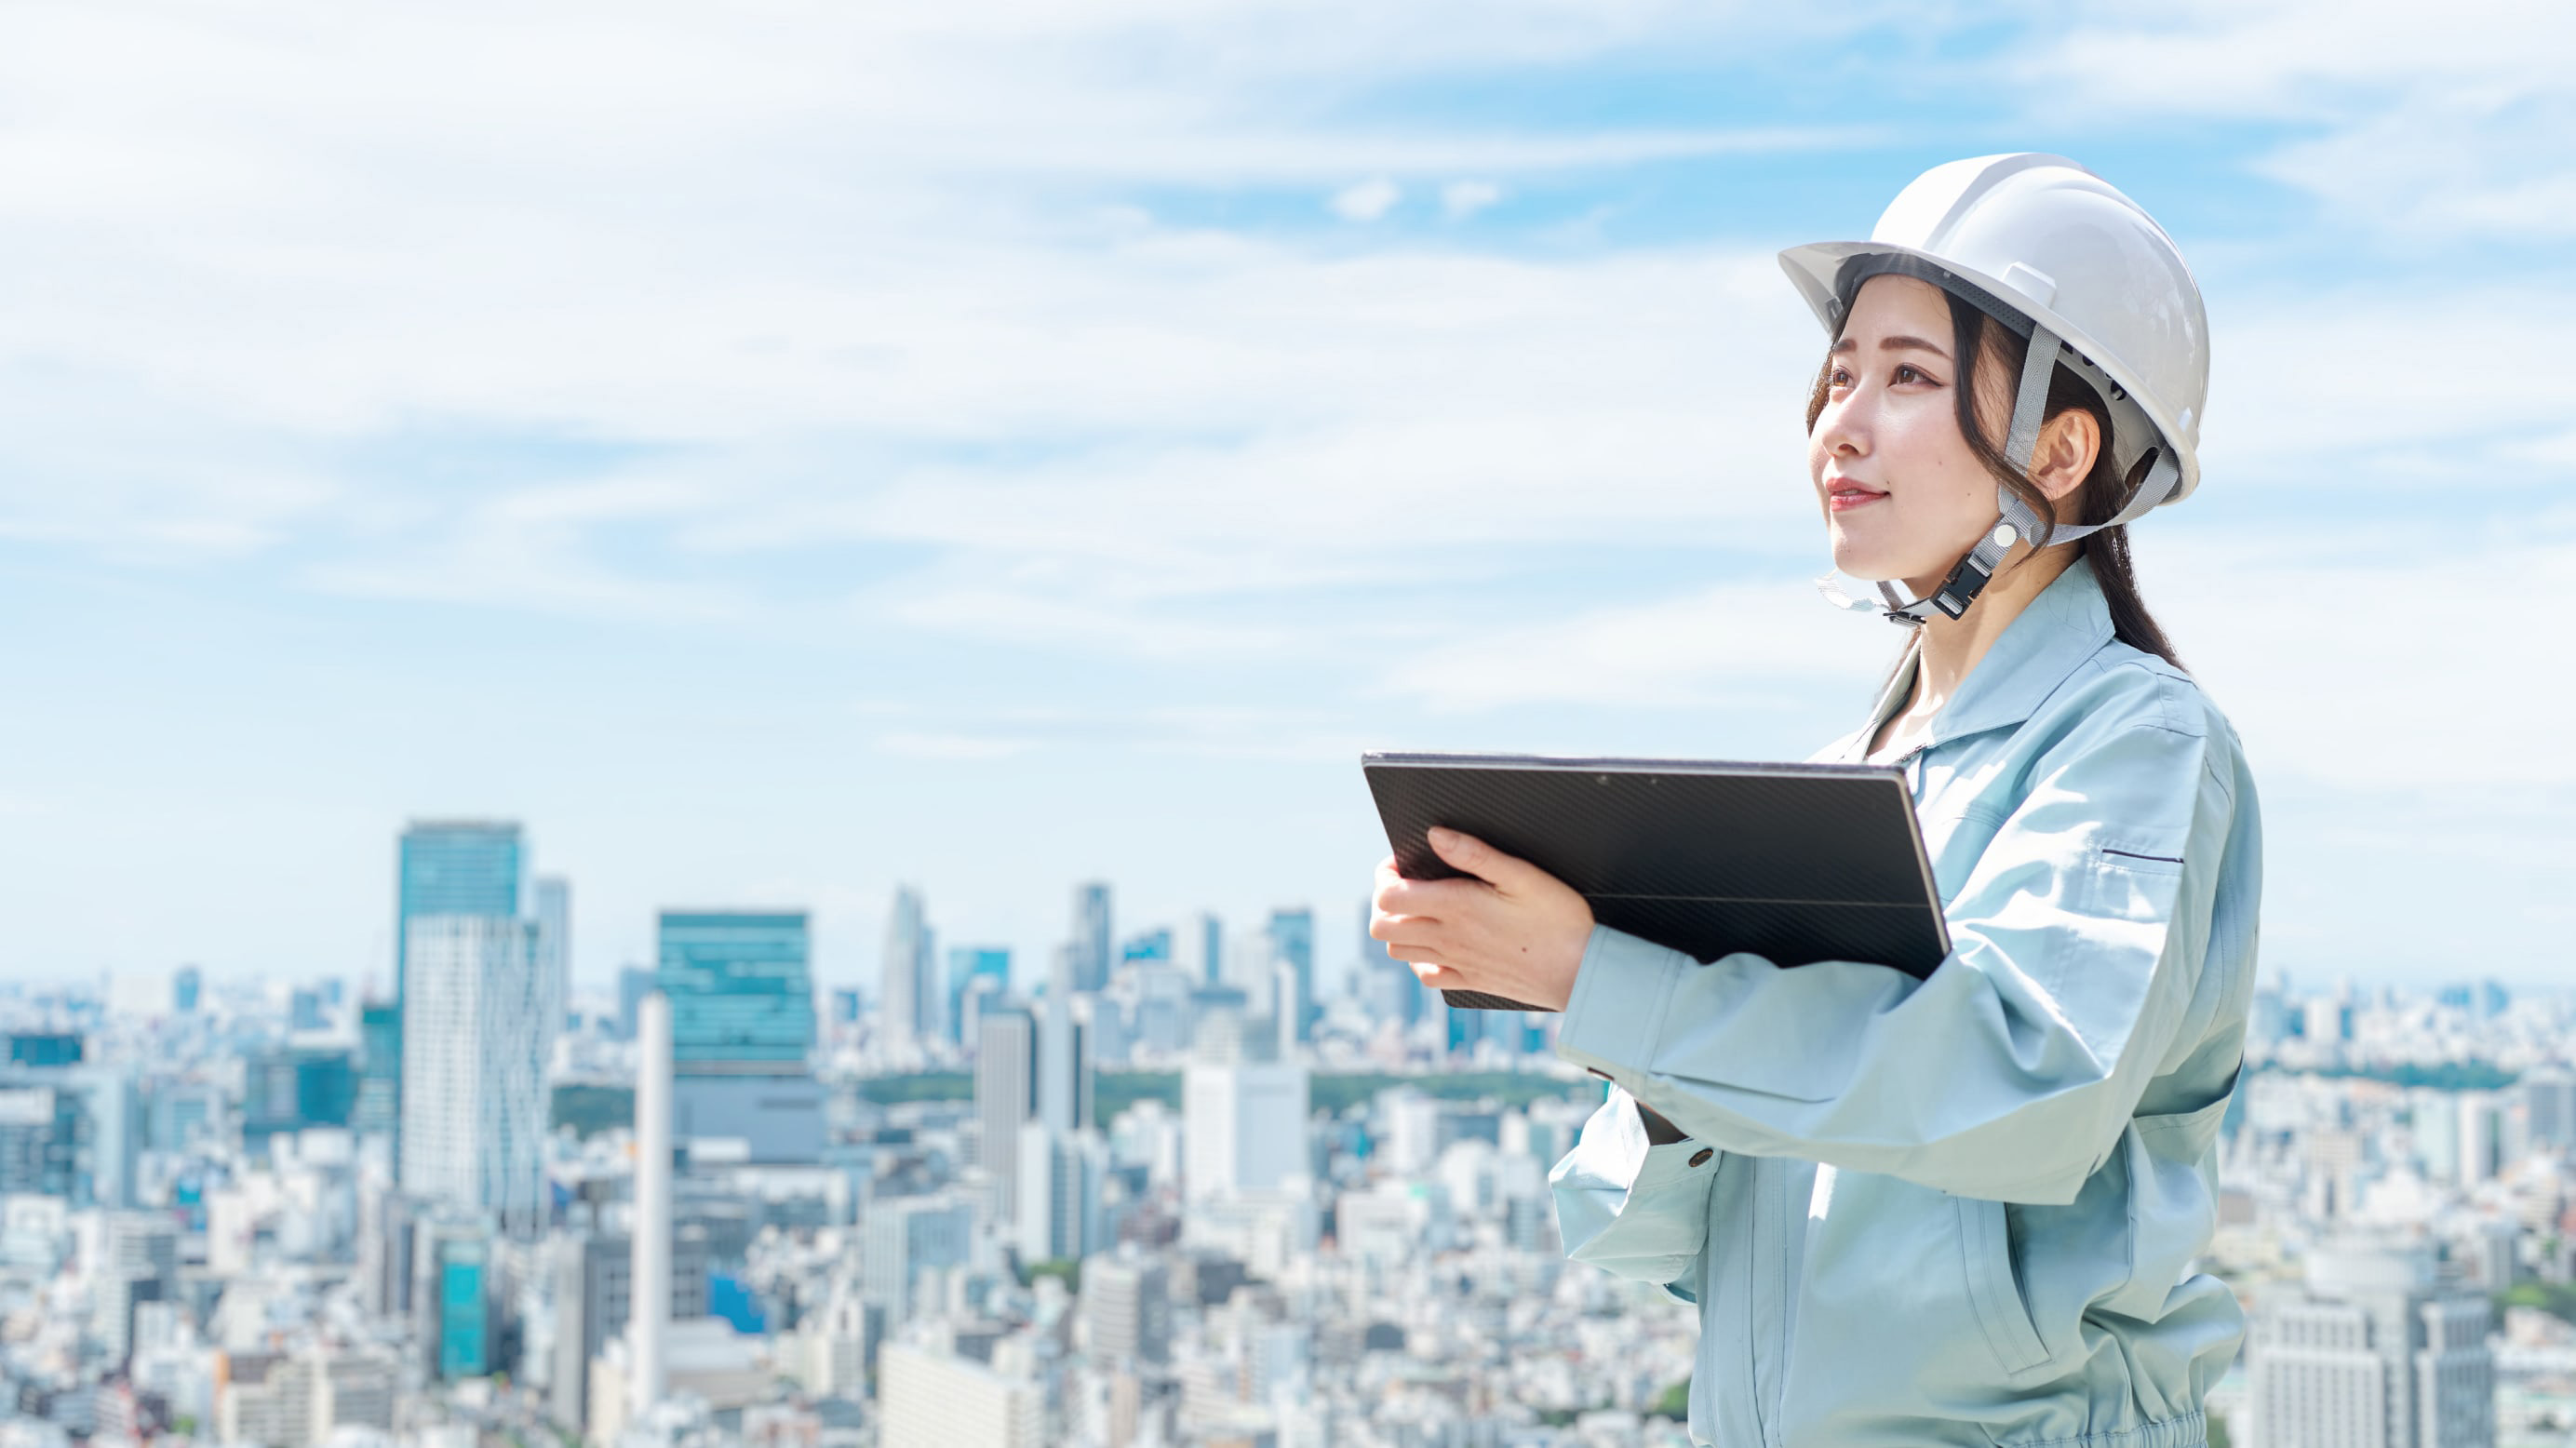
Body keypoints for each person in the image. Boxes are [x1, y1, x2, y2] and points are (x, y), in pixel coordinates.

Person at [1368, 154, 2257, 1448]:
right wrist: (1657, 1059)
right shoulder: (1853, 771)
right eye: (1839, 375)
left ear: (2062, 448)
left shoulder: (2138, 738)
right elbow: (1654, 1245)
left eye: (1908, 376)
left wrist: (1607, 982)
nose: (1839, 423)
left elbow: (2034, 1085)